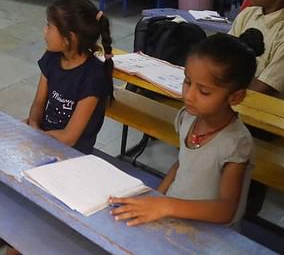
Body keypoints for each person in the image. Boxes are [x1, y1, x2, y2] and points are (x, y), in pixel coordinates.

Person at [109, 30, 263, 228]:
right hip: (175, 215)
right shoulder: (188, 117)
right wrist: (158, 196)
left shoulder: (236, 143)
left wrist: (166, 206)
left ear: (235, 97)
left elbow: (226, 210)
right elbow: (182, 163)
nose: (189, 95)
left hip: (209, 232)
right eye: (187, 81)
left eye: (204, 91)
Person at [25, 0, 113, 154]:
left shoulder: (94, 76)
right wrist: (33, 126)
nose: (44, 31)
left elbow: (69, 138)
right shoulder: (51, 57)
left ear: (69, 38)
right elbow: (38, 104)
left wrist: (37, 138)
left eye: (49, 27)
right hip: (44, 137)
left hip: (72, 152)